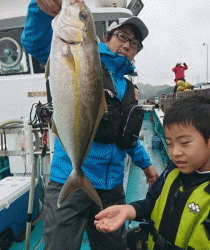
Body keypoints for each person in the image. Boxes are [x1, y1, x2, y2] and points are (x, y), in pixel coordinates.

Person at [21, 1, 159, 249]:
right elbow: (34, 41)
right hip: (67, 179)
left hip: (112, 187)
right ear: (105, 38)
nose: (127, 45)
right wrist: (39, 8)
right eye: (122, 37)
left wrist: (147, 166)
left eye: (134, 44)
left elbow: (126, 136)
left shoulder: (129, 89)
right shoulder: (81, 55)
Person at [94, 96, 210, 250]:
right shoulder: (171, 172)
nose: (175, 152)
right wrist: (127, 210)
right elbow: (151, 203)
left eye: (184, 143)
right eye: (169, 144)